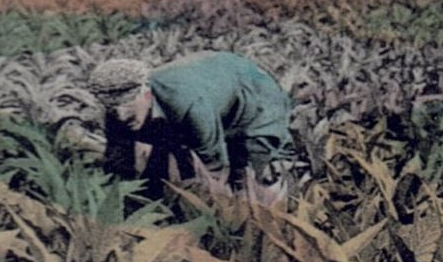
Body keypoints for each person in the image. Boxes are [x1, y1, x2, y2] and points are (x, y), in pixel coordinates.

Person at [87, 51, 294, 199]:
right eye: (113, 110)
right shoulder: (116, 115)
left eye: (128, 107)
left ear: (147, 94)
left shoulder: (188, 105)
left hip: (253, 90)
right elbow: (118, 163)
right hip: (210, 92)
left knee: (249, 167)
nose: (121, 117)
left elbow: (213, 166)